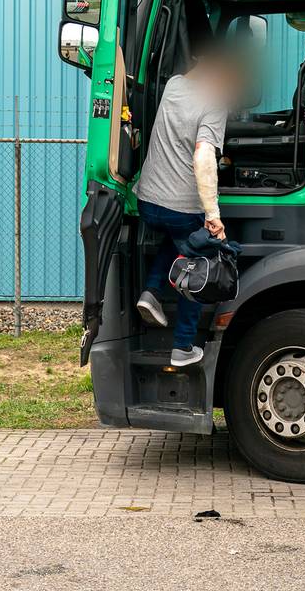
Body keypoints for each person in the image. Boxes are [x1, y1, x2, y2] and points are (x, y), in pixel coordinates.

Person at [131, 41, 241, 366]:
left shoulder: (174, 85)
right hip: (181, 205)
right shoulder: (215, 102)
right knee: (199, 265)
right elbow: (204, 156)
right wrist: (213, 214)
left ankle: (151, 292)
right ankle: (182, 347)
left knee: (179, 239)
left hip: (148, 201)